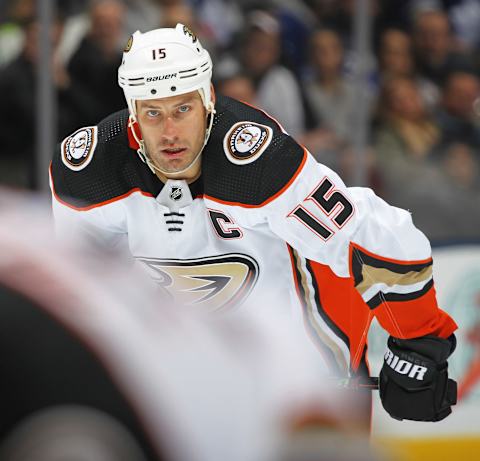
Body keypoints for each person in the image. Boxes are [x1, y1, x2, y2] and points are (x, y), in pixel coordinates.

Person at [50, 23, 458, 424]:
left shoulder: (256, 163)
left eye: (183, 108)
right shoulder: (89, 173)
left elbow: (365, 234)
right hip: (193, 374)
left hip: (303, 366)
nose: (170, 131)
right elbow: (82, 286)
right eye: (153, 112)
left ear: (208, 98)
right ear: (132, 112)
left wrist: (418, 341)